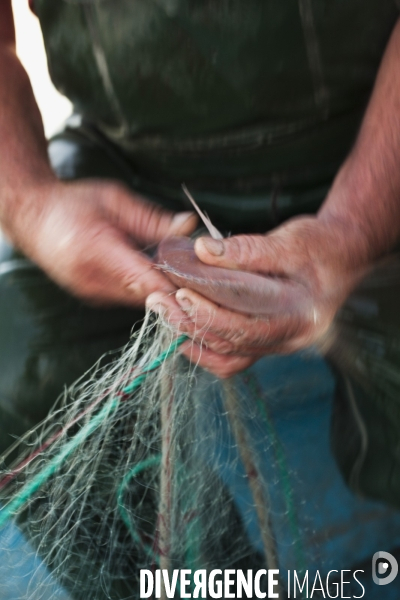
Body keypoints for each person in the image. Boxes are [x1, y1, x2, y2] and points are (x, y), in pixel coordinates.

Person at [2, 0, 400, 597]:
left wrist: (357, 225)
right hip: (131, 166)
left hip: (372, 139)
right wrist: (31, 201)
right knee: (13, 353)